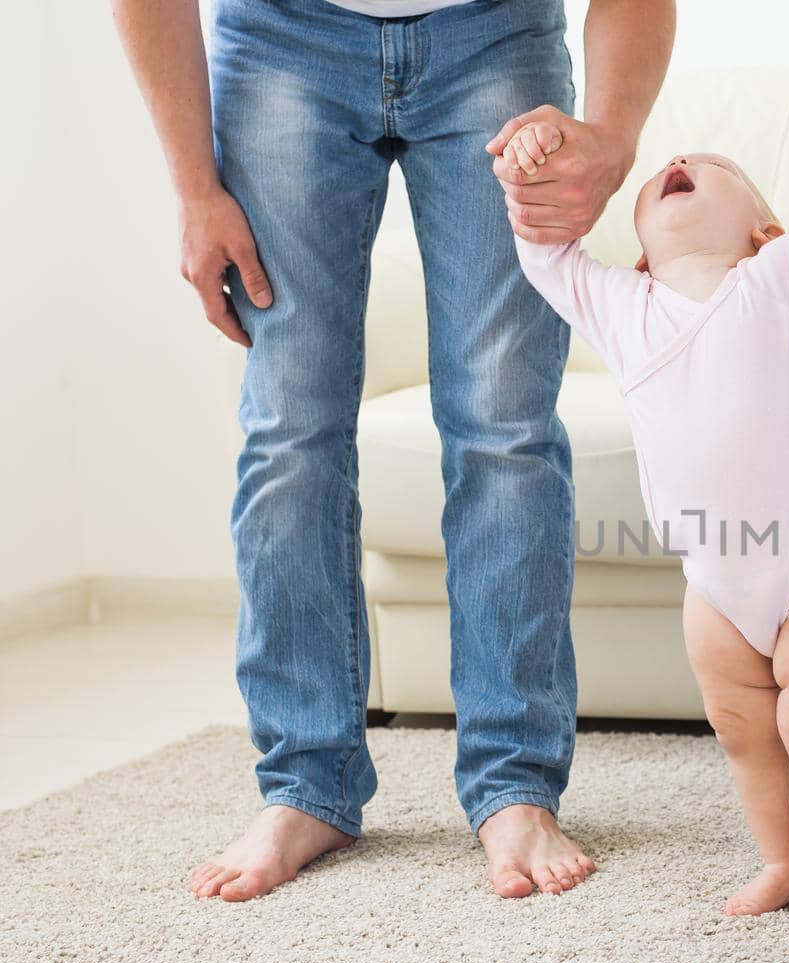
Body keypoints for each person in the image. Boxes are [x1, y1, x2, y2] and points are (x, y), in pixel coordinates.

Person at [111, 0, 674, 902]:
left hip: (496, 31)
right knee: (289, 426)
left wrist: (612, 133)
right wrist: (194, 190)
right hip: (282, 39)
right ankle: (306, 784)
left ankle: (515, 787)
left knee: (504, 423)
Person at [500, 77, 789, 937]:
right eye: (664, 174)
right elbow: (544, 256)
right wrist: (528, 176)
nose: (680, 162)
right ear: (641, 252)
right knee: (743, 732)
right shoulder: (623, 305)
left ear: (763, 231)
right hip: (714, 585)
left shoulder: (779, 279)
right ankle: (780, 861)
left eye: (713, 167)